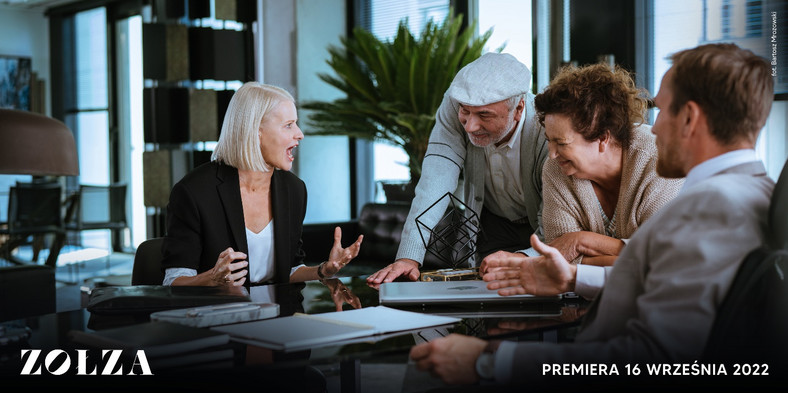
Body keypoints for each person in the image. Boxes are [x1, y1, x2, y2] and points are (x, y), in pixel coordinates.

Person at [409, 43, 775, 386]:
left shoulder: (707, 211)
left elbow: (655, 358)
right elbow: (658, 281)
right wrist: (572, 279)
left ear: (690, 118)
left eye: (662, 109)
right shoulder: (747, 195)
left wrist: (488, 361)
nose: (654, 126)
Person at [480, 63, 683, 298]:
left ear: (602, 138)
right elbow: (558, 259)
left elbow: (660, 262)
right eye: (549, 140)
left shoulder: (656, 159)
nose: (552, 153)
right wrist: (625, 252)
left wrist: (580, 241)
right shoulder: (556, 170)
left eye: (562, 143)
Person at [367, 52, 548, 285]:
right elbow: (436, 177)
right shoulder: (454, 102)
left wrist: (528, 257)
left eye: (484, 115)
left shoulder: (546, 127)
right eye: (465, 111)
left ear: (519, 108)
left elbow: (557, 225)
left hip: (543, 227)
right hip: (493, 224)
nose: (471, 126)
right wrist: (409, 256)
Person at [161, 82, 363, 287]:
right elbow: (173, 282)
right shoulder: (193, 192)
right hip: (217, 314)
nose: (300, 133)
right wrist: (212, 278)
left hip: (277, 315)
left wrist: (324, 270)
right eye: (288, 125)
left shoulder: (294, 189)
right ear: (256, 131)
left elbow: (289, 270)